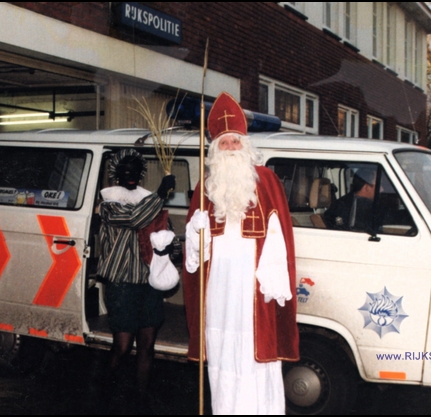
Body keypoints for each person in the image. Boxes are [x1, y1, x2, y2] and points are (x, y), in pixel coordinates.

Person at [183, 92, 299, 415]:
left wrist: (270, 281)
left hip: (252, 288)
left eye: (235, 142)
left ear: (245, 145)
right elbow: (194, 256)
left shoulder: (266, 181)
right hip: (219, 290)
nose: (231, 148)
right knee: (222, 359)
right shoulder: (205, 188)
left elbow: (279, 236)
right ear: (215, 151)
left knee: (252, 357)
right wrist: (196, 230)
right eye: (224, 143)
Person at [96, 148, 179, 401]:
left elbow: (170, 237)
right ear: (116, 174)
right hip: (122, 286)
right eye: (125, 170)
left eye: (135, 170)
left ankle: (141, 398)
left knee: (146, 347)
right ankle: (103, 394)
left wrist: (171, 247)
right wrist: (160, 195)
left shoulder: (151, 203)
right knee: (121, 347)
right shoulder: (109, 205)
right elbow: (135, 219)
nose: (131, 174)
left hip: (149, 285)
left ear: (142, 174)